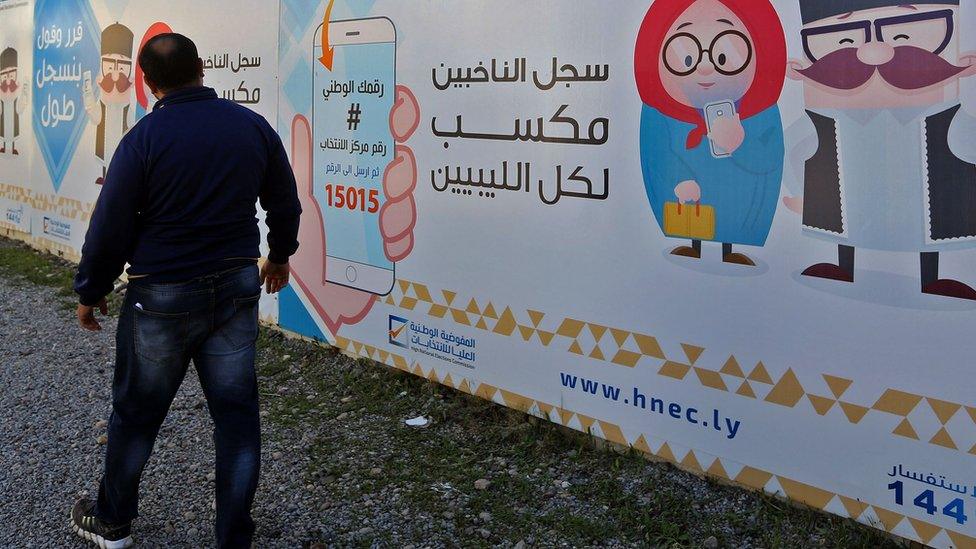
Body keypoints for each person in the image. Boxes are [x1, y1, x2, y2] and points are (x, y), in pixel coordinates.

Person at [71, 33, 301, 548]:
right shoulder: (251, 127)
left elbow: (110, 227)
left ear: (147, 85)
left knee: (136, 414)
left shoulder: (143, 139)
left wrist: (91, 289)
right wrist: (280, 255)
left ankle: (112, 522)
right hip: (236, 290)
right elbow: (284, 201)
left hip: (160, 299)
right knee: (236, 418)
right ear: (202, 67)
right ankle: (232, 537)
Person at [784, 0, 976, 300]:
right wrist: (799, 193)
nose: (873, 52)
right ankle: (844, 266)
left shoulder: (947, 117)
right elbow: (795, 149)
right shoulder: (823, 121)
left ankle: (930, 278)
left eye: (902, 35)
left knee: (928, 227)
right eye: (845, 39)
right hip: (847, 208)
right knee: (845, 219)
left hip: (927, 213)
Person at [635, 0, 786, 266]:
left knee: (736, 215)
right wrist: (680, 179)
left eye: (724, 56)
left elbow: (770, 161)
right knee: (688, 219)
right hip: (684, 204)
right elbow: (655, 156)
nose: (705, 68)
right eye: (687, 57)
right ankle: (693, 245)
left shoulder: (762, 114)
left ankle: (731, 249)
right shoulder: (658, 115)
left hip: (743, 207)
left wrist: (740, 144)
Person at [84, 23, 135, 185]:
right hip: (104, 135)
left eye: (121, 66)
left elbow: (134, 124)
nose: (114, 72)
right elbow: (94, 115)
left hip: (123, 135)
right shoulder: (102, 104)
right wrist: (87, 91)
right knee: (105, 153)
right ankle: (106, 174)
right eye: (109, 64)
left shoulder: (129, 104)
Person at [0, 47, 27, 156]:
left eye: (11, 75)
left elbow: (20, 109)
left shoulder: (16, 95)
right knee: (4, 132)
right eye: (4, 75)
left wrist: (25, 95)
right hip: (3, 120)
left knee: (12, 132)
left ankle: (13, 148)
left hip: (14, 118)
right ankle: (4, 147)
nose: (7, 80)